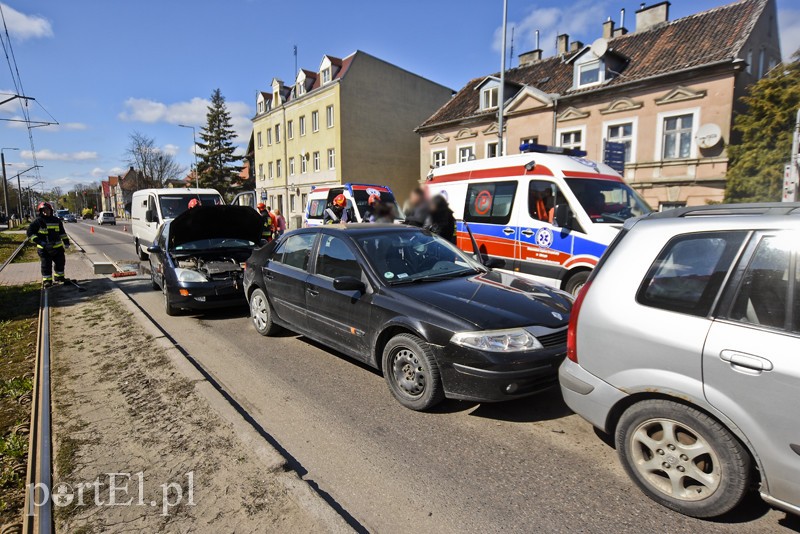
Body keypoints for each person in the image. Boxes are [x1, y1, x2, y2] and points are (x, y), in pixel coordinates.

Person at [27, 202, 70, 287]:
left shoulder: (56, 220)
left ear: (50, 210)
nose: (45, 211)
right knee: (46, 265)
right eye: (43, 210)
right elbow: (30, 233)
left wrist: (66, 242)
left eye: (47, 209)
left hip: (57, 247)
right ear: (40, 211)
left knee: (60, 263)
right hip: (44, 249)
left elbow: (62, 233)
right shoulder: (37, 221)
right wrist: (40, 242)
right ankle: (47, 281)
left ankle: (59, 277)